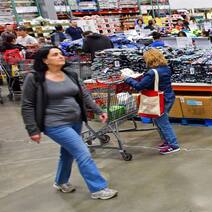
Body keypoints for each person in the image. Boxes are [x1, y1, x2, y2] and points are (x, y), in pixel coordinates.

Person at [20, 46, 118, 200]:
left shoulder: (70, 74)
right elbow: (27, 105)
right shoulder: (34, 78)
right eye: (55, 54)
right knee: (82, 152)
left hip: (75, 121)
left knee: (67, 153)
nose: (61, 56)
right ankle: (98, 188)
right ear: (45, 60)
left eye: (60, 53)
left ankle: (60, 181)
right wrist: (32, 129)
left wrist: (99, 111)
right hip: (54, 124)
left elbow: (84, 94)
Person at [123, 48, 180, 154]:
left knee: (163, 122)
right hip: (168, 96)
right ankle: (167, 141)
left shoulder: (152, 72)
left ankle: (173, 145)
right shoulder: (166, 68)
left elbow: (139, 86)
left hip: (159, 100)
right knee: (160, 121)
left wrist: (127, 79)